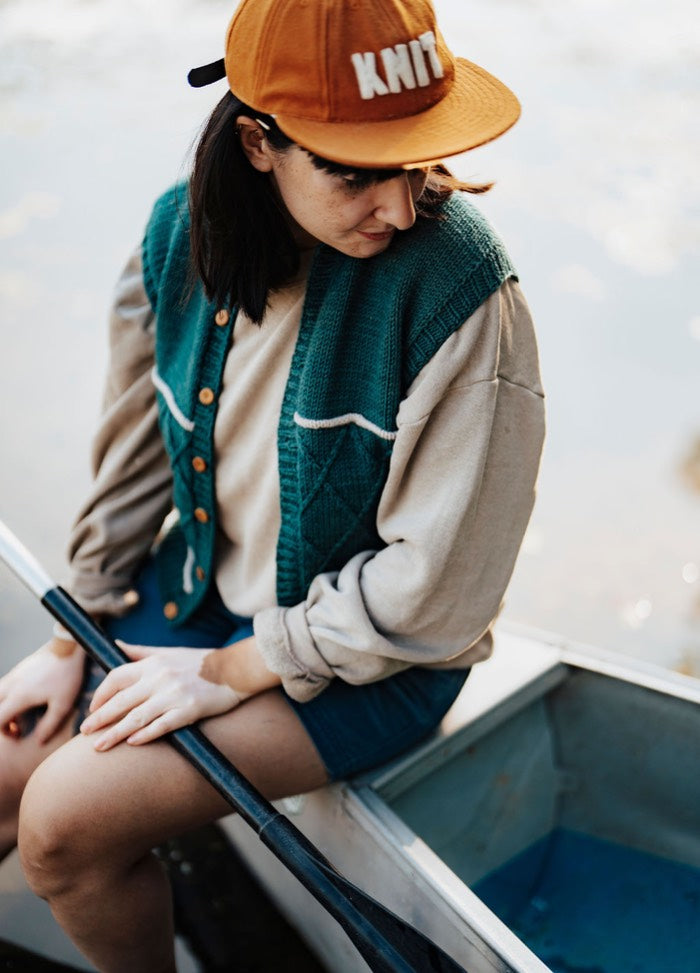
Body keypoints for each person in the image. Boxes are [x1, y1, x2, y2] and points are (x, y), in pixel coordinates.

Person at [0, 0, 544, 969]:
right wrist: (67, 633)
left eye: (414, 160)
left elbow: (437, 597)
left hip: (369, 655)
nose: (398, 205)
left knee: (62, 822)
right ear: (258, 143)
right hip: (207, 594)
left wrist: (222, 673)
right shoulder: (179, 235)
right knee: (2, 768)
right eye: (354, 174)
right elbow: (132, 454)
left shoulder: (464, 295)